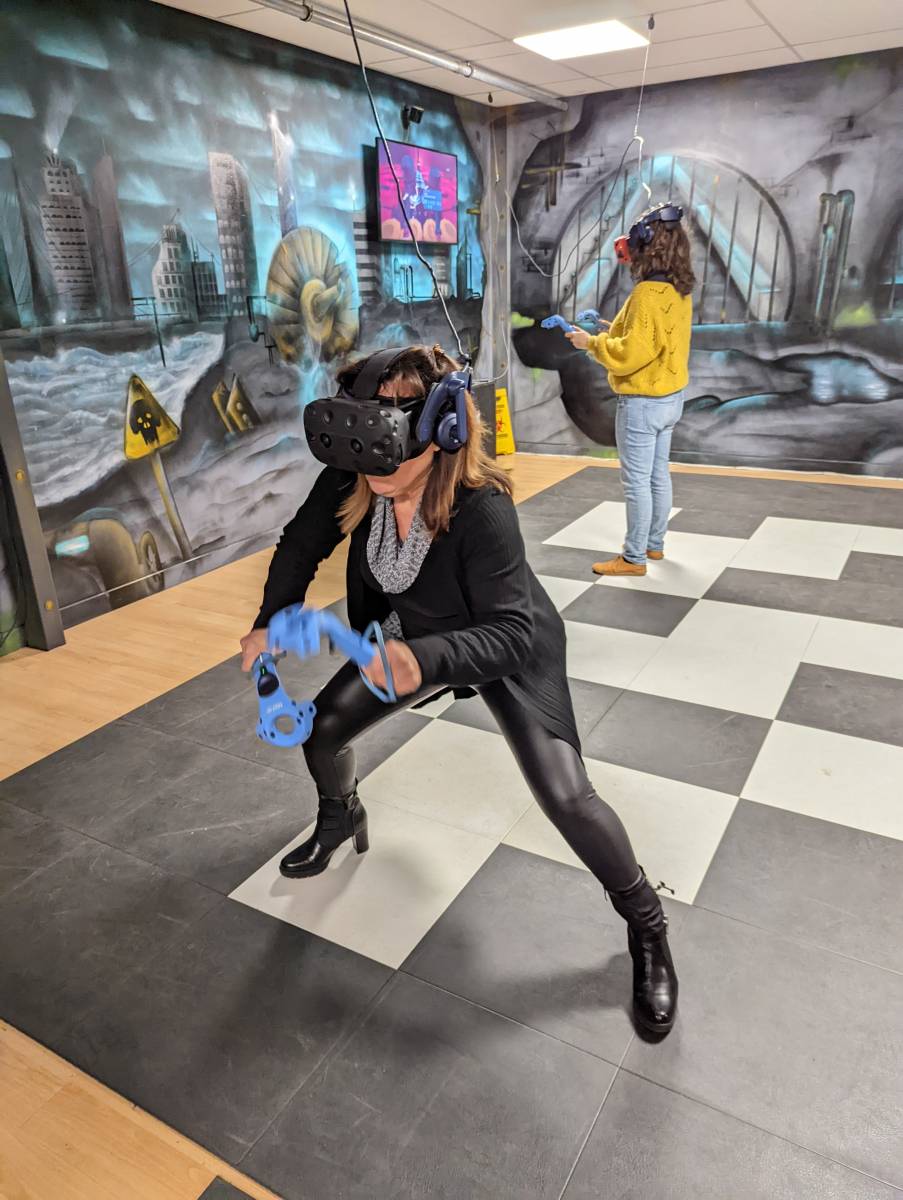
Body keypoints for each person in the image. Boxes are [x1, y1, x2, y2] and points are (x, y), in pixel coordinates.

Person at [240, 345, 678, 1036]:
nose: (370, 463)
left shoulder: (482, 507)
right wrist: (270, 619)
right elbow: (300, 545)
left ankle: (646, 924)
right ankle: (339, 816)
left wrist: (424, 660)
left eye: (387, 438)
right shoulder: (359, 476)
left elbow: (511, 632)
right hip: (411, 633)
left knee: (566, 795)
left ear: (442, 428)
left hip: (502, 641)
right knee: (322, 733)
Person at [566, 204, 695, 577]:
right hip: (670, 399)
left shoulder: (646, 294)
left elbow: (629, 356)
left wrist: (590, 343)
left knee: (636, 482)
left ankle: (633, 558)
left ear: (646, 244)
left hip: (642, 403)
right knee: (658, 475)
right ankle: (654, 545)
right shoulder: (679, 290)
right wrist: (612, 329)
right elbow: (654, 338)